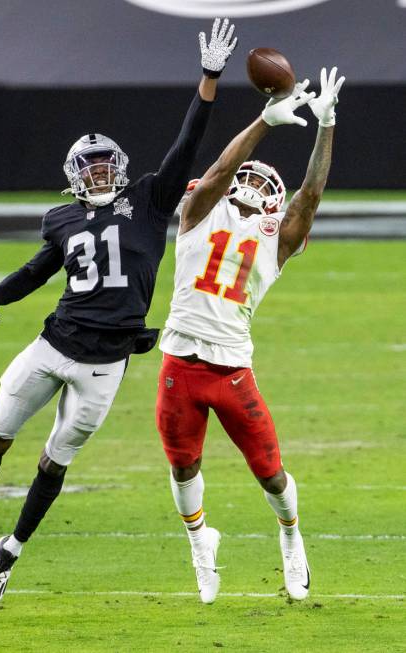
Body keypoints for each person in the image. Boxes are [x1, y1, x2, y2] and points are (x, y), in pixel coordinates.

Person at [0, 18, 239, 608]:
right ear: (72, 178)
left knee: (53, 462)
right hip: (52, 344)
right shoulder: (59, 221)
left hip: (104, 366)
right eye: (89, 169)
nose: (100, 174)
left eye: (106, 165)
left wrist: (209, 79)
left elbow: (186, 144)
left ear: (121, 166)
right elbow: (39, 270)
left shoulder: (149, 199)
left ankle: (8, 553)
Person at [155, 67, 345, 604]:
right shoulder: (196, 211)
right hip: (180, 364)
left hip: (232, 368)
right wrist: (264, 119)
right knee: (182, 463)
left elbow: (308, 198)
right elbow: (217, 169)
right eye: (250, 178)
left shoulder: (274, 239)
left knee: (270, 473)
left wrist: (325, 126)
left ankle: (291, 537)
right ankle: (199, 544)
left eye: (267, 187)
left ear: (271, 204)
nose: (254, 188)